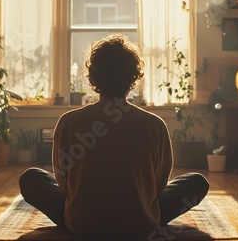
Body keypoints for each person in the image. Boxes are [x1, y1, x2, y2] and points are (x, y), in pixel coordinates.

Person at [19, 34, 209, 239]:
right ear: (133, 77)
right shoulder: (155, 124)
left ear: (93, 76)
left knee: (31, 179)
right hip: (142, 225)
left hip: (81, 224)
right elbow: (158, 189)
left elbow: (65, 186)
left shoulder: (68, 121)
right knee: (196, 182)